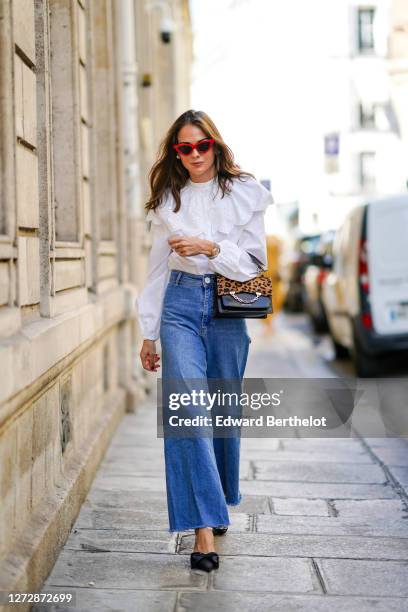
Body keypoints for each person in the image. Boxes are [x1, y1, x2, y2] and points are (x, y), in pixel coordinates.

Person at [136, 109, 273, 572]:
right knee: (188, 411)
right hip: (177, 307)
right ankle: (202, 533)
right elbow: (156, 269)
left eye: (201, 145)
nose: (194, 154)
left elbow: (253, 266)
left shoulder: (243, 193)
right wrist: (148, 332)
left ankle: (217, 502)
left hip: (225, 310)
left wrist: (211, 248)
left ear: (215, 144)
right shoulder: (167, 200)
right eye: (184, 148)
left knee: (222, 411)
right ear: (176, 152)